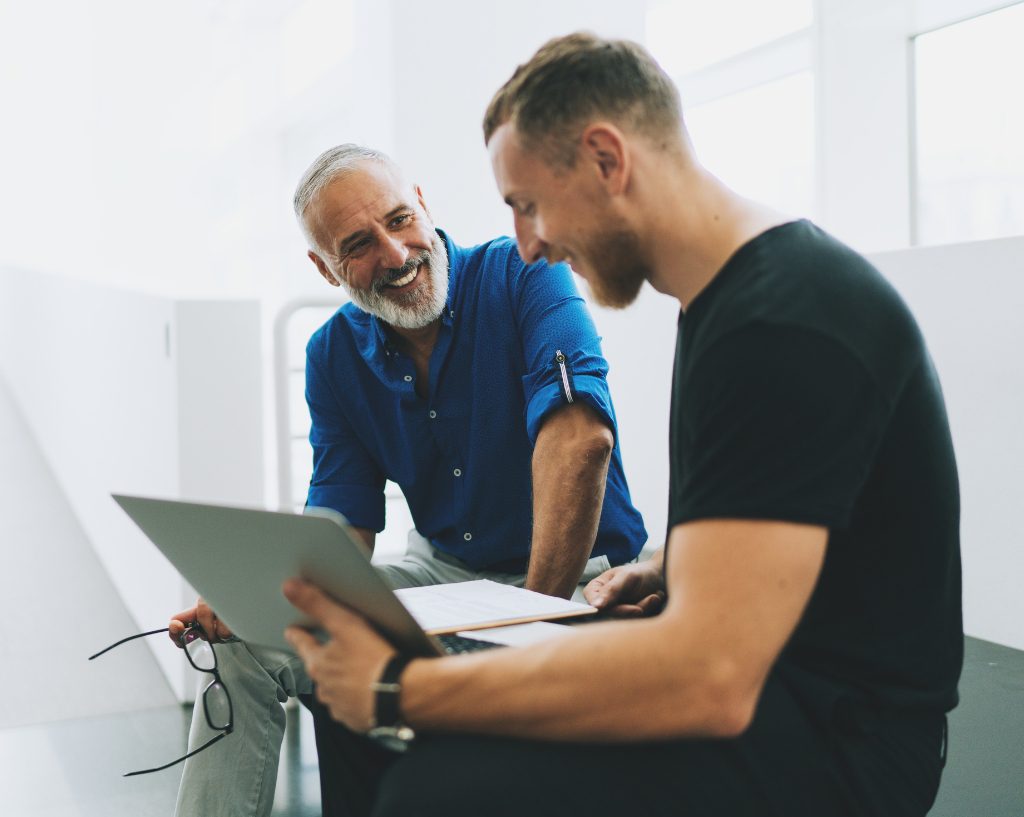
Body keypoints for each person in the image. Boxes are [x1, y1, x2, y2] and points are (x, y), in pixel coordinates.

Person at [284, 33, 963, 817]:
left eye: (529, 205)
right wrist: (674, 565)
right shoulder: (727, 302)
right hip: (778, 682)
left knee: (433, 786)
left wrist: (405, 686)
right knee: (392, 744)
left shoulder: (783, 322)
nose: (528, 242)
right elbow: (795, 508)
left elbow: (708, 679)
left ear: (608, 160)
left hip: (841, 739)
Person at [168, 143, 647, 817]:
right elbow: (343, 523)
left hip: (573, 577)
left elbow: (582, 439)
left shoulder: (525, 274)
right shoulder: (332, 354)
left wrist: (528, 624)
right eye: (359, 244)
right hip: (449, 577)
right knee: (244, 643)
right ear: (326, 268)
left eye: (398, 219)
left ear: (422, 202)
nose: (394, 255)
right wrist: (253, 594)